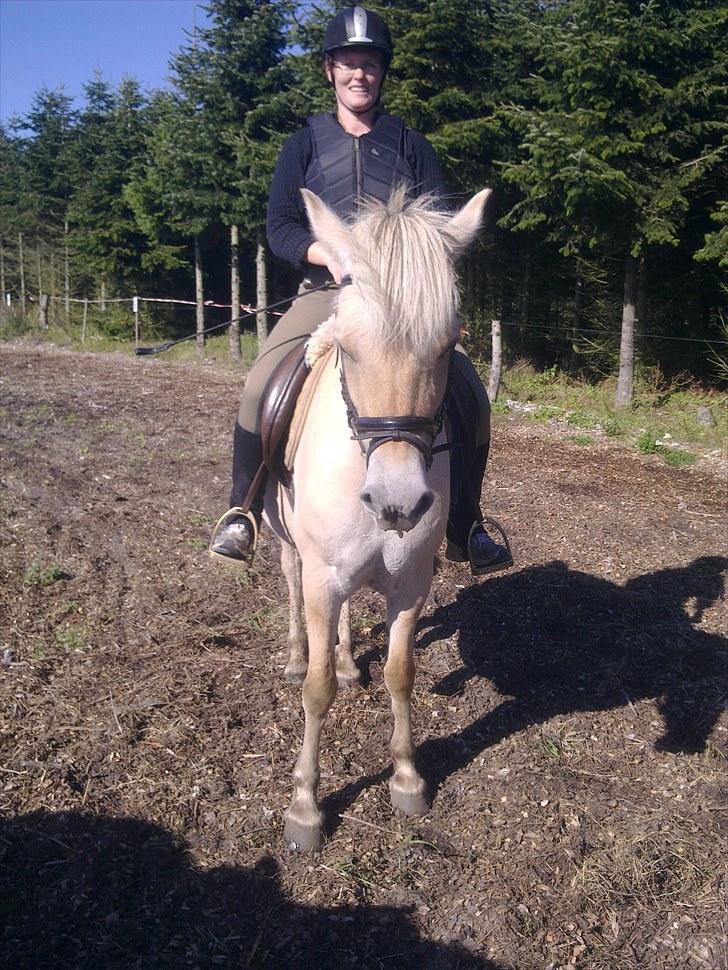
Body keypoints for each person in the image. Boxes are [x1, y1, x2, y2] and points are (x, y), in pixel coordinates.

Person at [210, 5, 512, 576]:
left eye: (369, 63)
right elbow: (280, 227)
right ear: (330, 70)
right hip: (326, 290)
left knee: (469, 391)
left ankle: (465, 522)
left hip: (400, 303)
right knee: (260, 383)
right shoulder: (302, 143)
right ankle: (242, 510)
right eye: (348, 62)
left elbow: (439, 228)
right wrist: (329, 254)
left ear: (381, 72)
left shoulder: (410, 144)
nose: (359, 74)